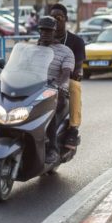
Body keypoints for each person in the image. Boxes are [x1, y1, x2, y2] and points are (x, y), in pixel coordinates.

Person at [36, 16, 76, 164]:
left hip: (53, 91)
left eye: (49, 31)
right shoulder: (32, 50)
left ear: (54, 31)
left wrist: (62, 86)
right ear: (39, 31)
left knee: (49, 110)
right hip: (32, 90)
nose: (45, 33)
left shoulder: (65, 52)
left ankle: (52, 148)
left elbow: (66, 73)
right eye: (43, 30)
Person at [49, 3, 85, 149]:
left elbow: (78, 65)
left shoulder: (76, 41)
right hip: (45, 79)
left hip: (66, 80)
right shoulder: (44, 38)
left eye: (59, 17)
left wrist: (72, 74)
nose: (56, 21)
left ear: (66, 19)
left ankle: (73, 129)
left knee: (75, 86)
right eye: (52, 18)